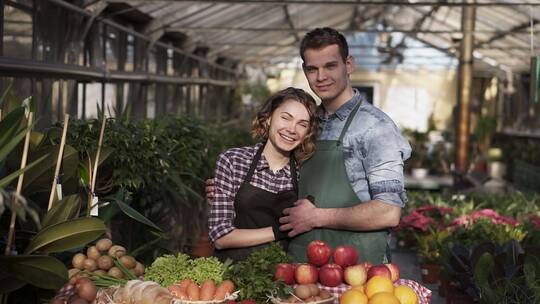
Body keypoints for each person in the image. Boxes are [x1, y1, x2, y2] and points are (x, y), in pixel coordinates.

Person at [277, 27, 411, 264]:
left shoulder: (376, 128)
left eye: (330, 66)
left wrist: (316, 217)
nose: (320, 77)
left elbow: (388, 212)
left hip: (359, 267)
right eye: (312, 69)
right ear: (304, 71)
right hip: (302, 263)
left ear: (348, 64)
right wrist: (236, 187)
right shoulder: (305, 123)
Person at [208, 87, 318, 262]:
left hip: (284, 275)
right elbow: (220, 237)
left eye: (302, 124)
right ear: (267, 118)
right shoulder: (233, 161)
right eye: (286, 118)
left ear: (307, 134)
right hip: (230, 272)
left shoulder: (305, 173)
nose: (292, 129)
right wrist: (279, 231)